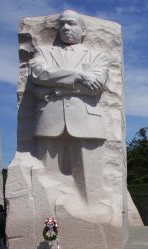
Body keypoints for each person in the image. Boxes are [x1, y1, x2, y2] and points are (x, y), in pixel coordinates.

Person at [29, 10, 109, 203]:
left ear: (83, 31)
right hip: (49, 120)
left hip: (87, 122)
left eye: (71, 24)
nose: (65, 28)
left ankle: (93, 216)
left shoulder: (98, 56)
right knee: (45, 180)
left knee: (91, 183)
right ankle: (47, 220)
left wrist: (55, 89)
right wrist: (80, 76)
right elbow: (39, 74)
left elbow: (96, 87)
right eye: (62, 24)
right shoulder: (44, 52)